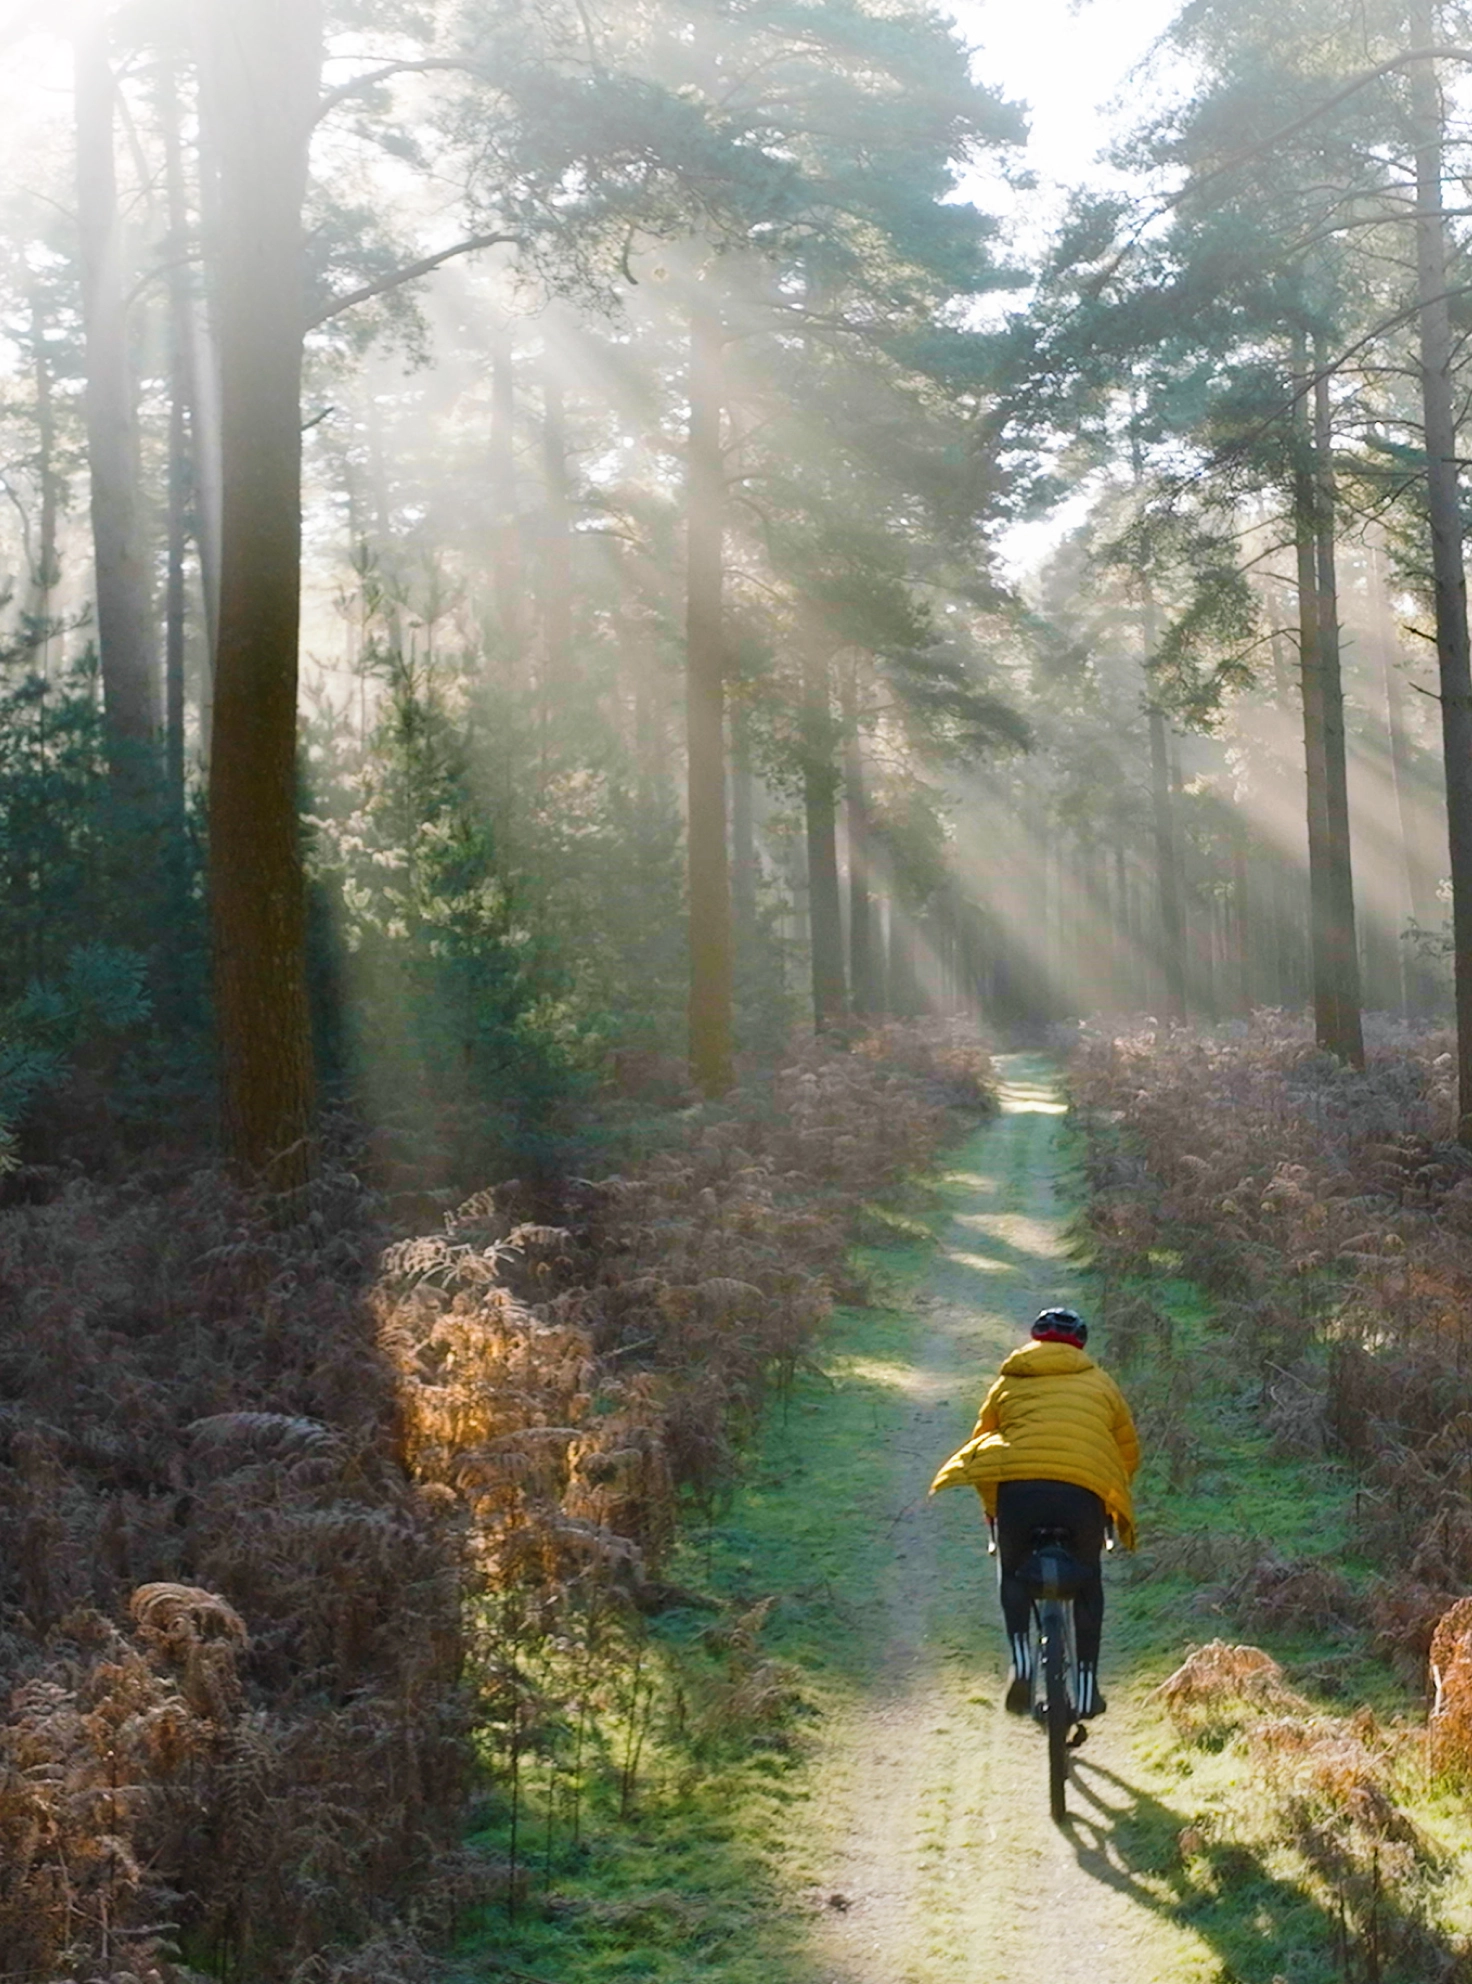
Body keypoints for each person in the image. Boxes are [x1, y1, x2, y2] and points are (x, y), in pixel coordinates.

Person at [929, 1308, 1139, 1719]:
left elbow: (982, 1445)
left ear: (1033, 1341)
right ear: (1081, 1344)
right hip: (1082, 1493)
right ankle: (1085, 1685)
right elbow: (1126, 1452)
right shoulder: (1102, 1383)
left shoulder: (1008, 1382)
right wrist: (1108, 1502)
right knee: (1089, 1580)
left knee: (1012, 1572)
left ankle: (1023, 1663)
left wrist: (993, 1511)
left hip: (1021, 1493)